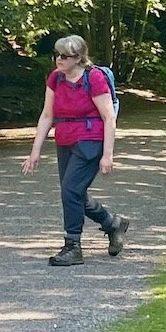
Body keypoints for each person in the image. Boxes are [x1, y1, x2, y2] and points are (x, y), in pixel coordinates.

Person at [21, 34, 129, 267]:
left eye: (64, 56)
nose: (58, 59)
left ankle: (73, 246)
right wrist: (35, 151)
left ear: (78, 58)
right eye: (57, 55)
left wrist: (108, 154)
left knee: (70, 190)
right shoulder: (55, 79)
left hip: (90, 140)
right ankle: (112, 223)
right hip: (65, 140)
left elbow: (109, 117)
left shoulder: (95, 78)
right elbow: (47, 115)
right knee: (73, 192)